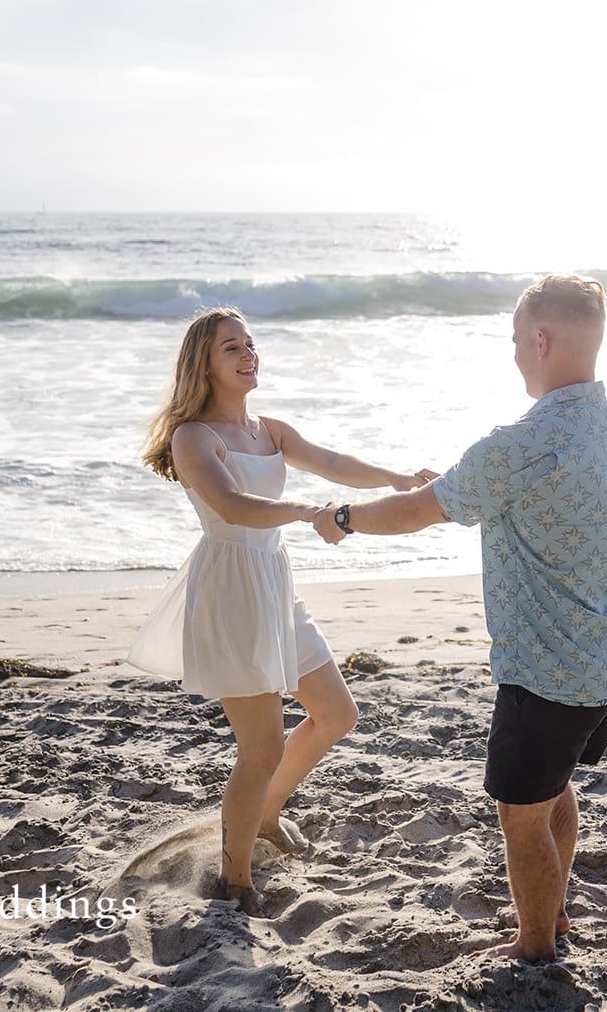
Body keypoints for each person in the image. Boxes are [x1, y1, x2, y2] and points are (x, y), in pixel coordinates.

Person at [311, 274, 607, 961]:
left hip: (547, 668)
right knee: (553, 789)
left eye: (517, 340)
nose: (515, 353)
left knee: (521, 816)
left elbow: (418, 510)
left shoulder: (518, 444)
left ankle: (533, 946)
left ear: (543, 340)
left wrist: (343, 518)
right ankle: (549, 918)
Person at [132, 306, 434, 916]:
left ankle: (267, 813)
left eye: (250, 343)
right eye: (231, 348)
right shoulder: (194, 437)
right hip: (231, 591)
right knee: (260, 749)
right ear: (204, 364)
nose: (248, 355)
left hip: (274, 583)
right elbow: (233, 505)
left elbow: (335, 463)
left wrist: (398, 480)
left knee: (336, 712)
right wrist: (304, 513)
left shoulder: (269, 430)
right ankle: (234, 878)